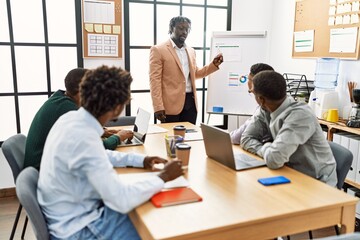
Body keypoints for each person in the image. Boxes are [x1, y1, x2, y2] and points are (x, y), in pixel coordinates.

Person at [37, 65, 184, 240]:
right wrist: (163, 177)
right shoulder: (82, 136)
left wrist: (141, 160)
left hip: (67, 213)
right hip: (78, 228)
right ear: (117, 108)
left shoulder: (71, 120)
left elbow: (100, 154)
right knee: (157, 228)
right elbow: (121, 199)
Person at [240, 70, 337, 186]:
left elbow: (274, 159)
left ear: (261, 99)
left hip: (317, 183)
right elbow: (246, 138)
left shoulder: (300, 115)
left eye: (252, 93)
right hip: (289, 173)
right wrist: (269, 150)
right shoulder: (265, 108)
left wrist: (267, 148)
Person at [24, 68, 133, 170]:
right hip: (44, 173)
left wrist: (104, 132)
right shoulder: (69, 109)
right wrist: (119, 137)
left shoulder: (60, 98)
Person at [149, 16, 224, 124]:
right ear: (171, 29)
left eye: (187, 29)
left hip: (190, 104)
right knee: (170, 139)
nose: (184, 32)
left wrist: (213, 65)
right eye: (180, 28)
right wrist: (157, 106)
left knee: (190, 139)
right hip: (170, 106)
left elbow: (195, 74)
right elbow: (154, 80)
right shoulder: (158, 50)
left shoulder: (191, 51)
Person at [230, 63, 274, 144]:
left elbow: (237, 137)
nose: (248, 82)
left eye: (249, 79)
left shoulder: (265, 108)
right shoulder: (268, 103)